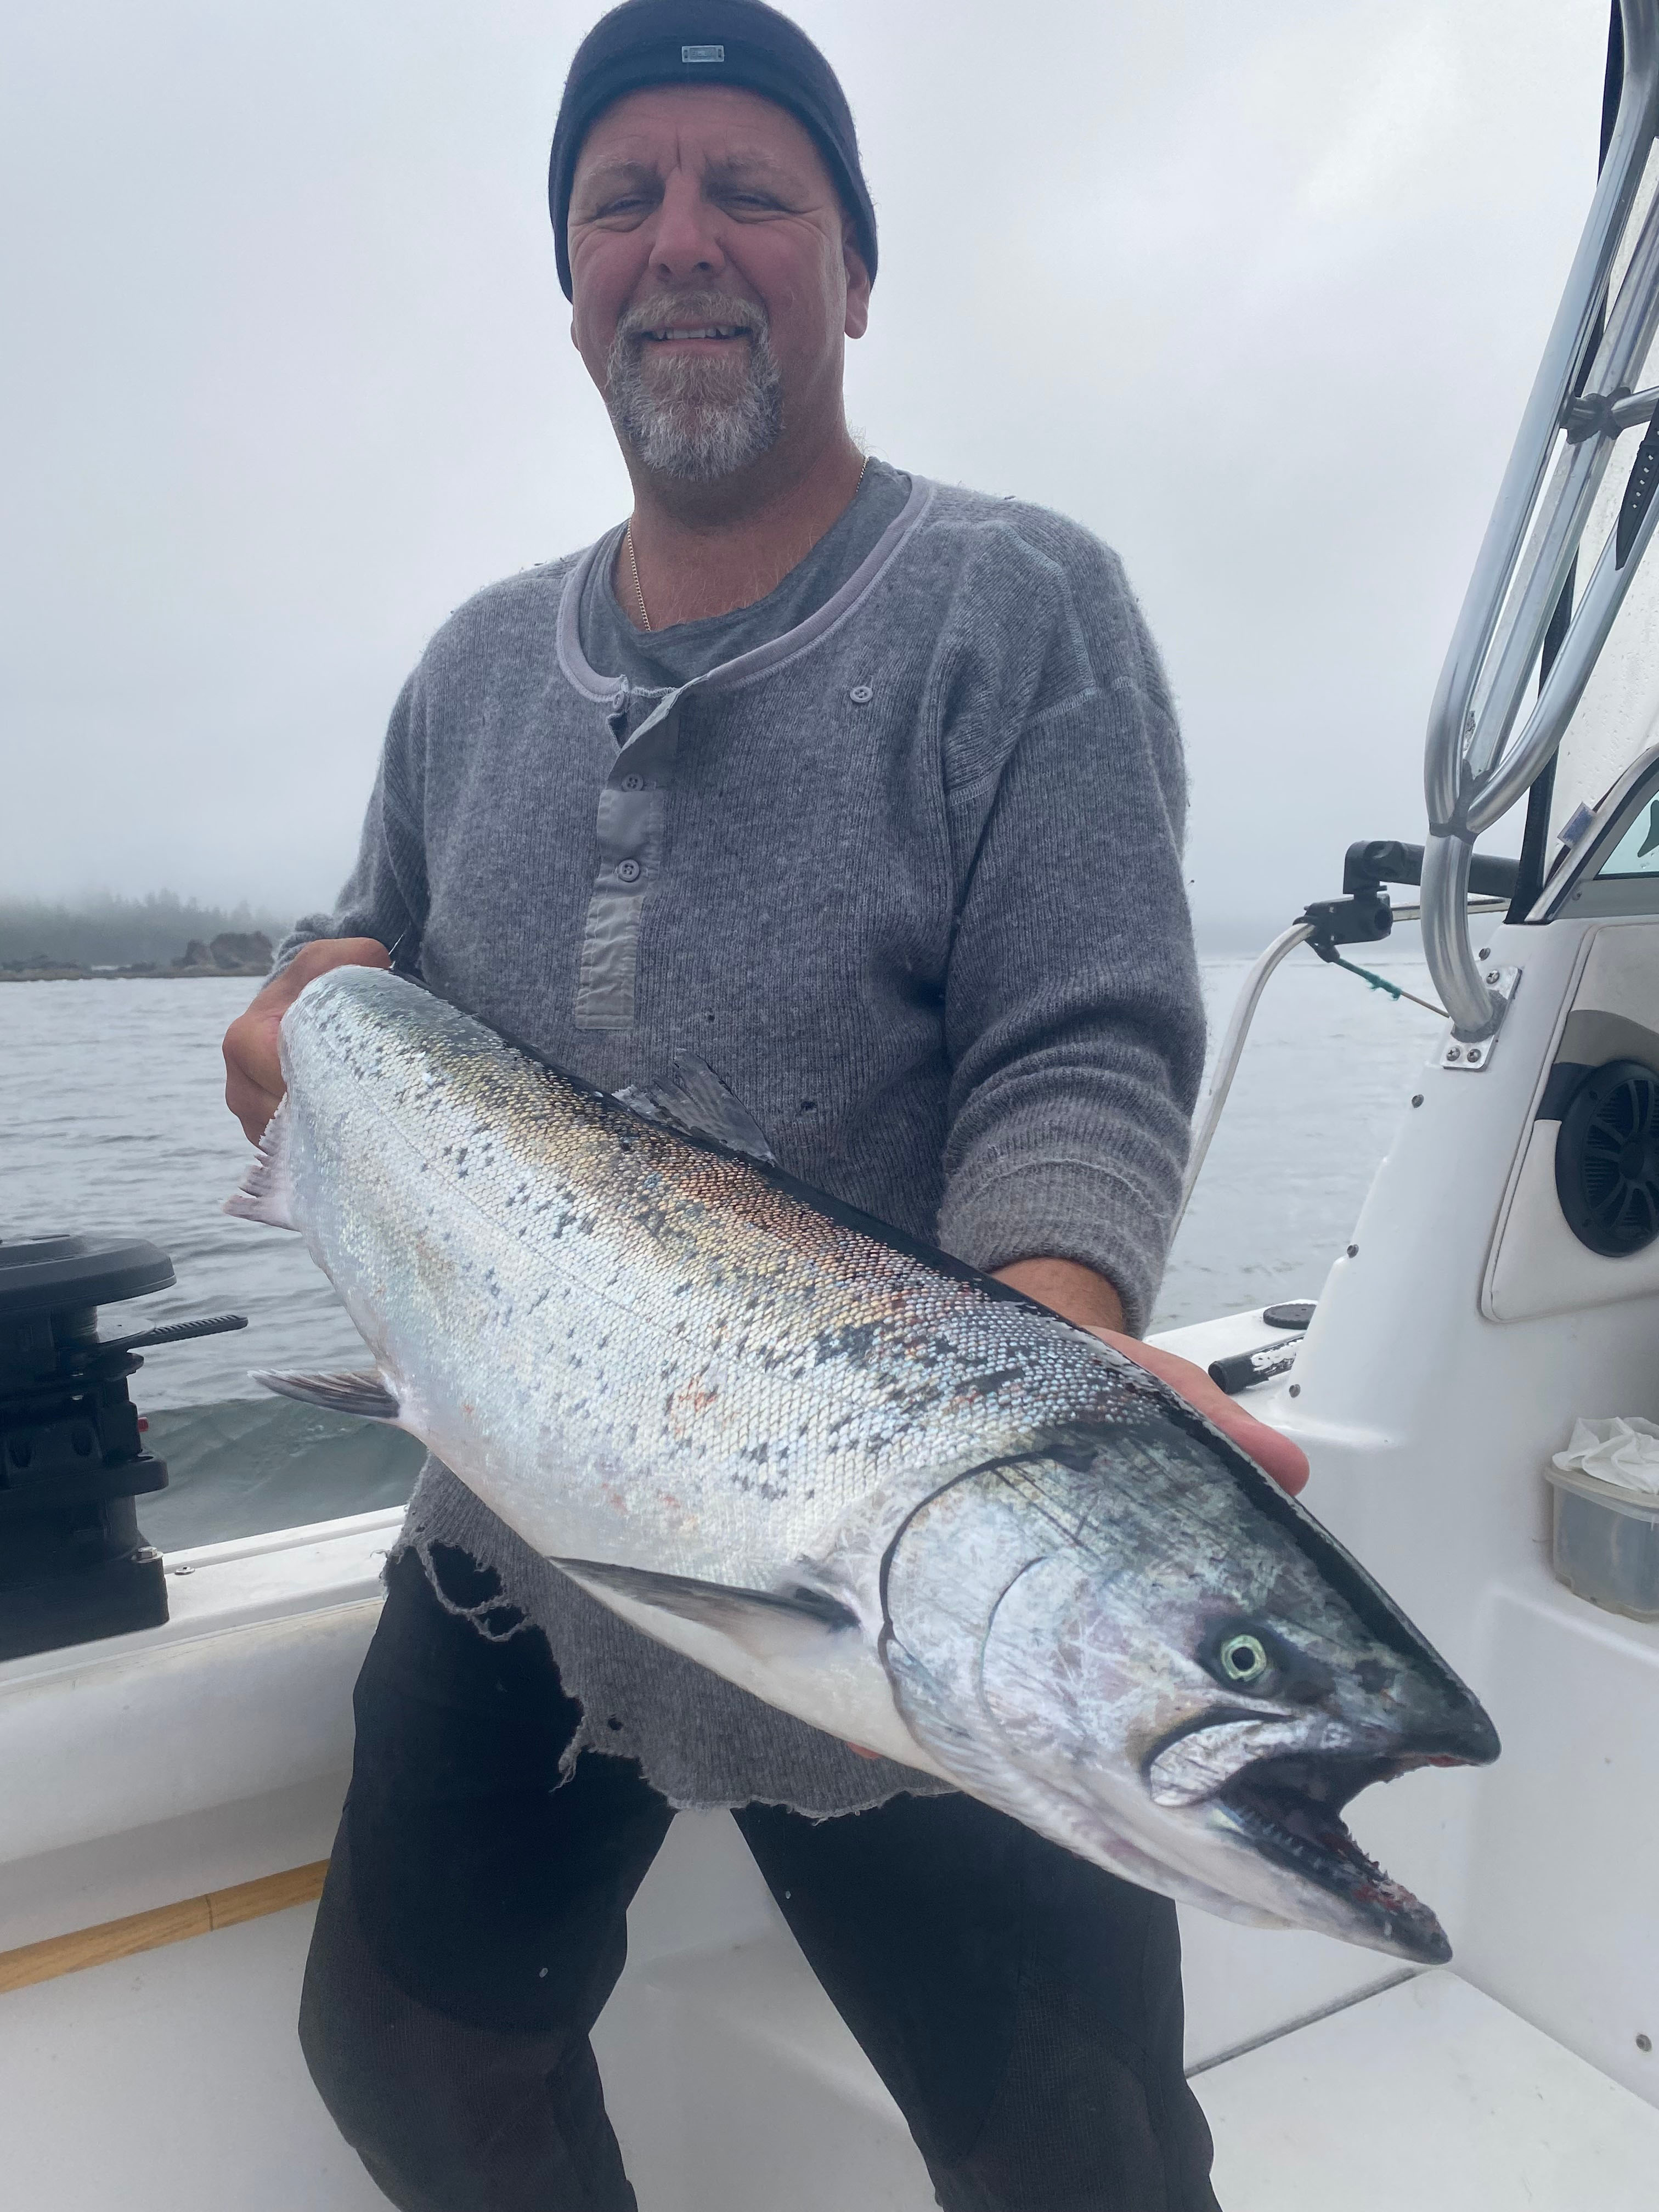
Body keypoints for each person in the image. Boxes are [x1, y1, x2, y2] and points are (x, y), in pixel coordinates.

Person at [223, 5, 1307, 2206]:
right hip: (528, 1534)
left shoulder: (1015, 609)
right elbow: (368, 980)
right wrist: (289, 1048)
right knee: (400, 2055)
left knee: (1081, 2172)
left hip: (906, 1549)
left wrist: (1043, 1385)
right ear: (572, 283)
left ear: (857, 270)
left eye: (753, 192)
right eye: (623, 200)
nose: (683, 243)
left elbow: (1080, 1037)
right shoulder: (461, 675)